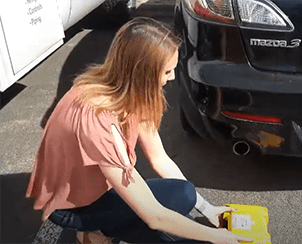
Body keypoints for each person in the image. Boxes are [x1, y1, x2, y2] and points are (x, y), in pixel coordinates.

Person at [26, 17, 253, 244]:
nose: (172, 77)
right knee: (186, 238)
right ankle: (93, 231)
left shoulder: (130, 92)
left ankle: (100, 230)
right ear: (141, 73)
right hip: (74, 207)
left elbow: (159, 158)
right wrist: (216, 237)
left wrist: (208, 209)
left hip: (101, 188)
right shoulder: (97, 121)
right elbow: (155, 217)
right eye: (166, 72)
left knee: (185, 194)